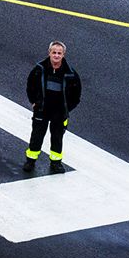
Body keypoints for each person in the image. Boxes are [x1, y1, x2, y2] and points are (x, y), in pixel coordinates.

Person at [24, 41, 81, 173]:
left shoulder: (71, 74)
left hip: (59, 112)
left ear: (63, 55)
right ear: (49, 53)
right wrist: (34, 102)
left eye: (59, 53)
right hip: (42, 110)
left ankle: (56, 163)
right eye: (54, 52)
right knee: (36, 136)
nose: (56, 55)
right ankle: (30, 161)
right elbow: (30, 86)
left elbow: (76, 95)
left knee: (57, 138)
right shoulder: (39, 69)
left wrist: (66, 109)